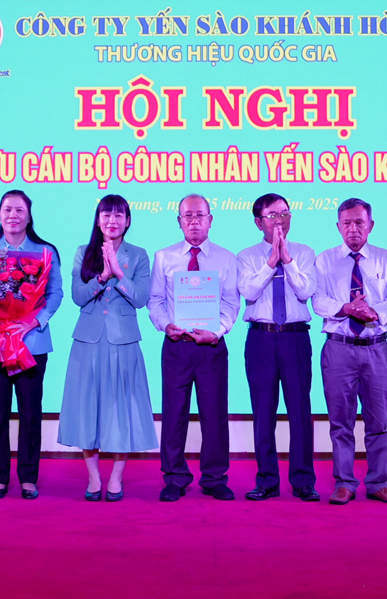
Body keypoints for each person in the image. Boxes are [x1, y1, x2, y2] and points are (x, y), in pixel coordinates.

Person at [58, 195, 157, 502]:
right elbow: (77, 296)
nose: (112, 221)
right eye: (106, 215)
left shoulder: (139, 255)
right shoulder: (83, 252)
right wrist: (102, 276)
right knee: (87, 407)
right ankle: (93, 478)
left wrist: (119, 272)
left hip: (123, 341)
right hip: (88, 341)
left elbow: (141, 299)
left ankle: (115, 478)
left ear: (128, 221)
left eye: (118, 216)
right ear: (98, 219)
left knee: (120, 408)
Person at [312, 198, 387, 505]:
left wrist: (374, 312)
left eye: (359, 222)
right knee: (340, 422)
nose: (353, 229)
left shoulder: (386, 259)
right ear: (338, 226)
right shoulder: (324, 260)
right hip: (339, 349)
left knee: (378, 421)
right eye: (347, 223)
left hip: (376, 349)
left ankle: (379, 482)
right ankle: (344, 483)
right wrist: (346, 308)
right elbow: (318, 300)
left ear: (371, 225)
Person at [148, 193, 240, 502]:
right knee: (174, 414)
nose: (194, 221)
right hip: (177, 345)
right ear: (179, 221)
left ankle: (214, 478)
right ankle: (174, 477)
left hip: (212, 347)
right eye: (188, 216)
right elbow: (155, 301)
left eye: (200, 215)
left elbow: (231, 303)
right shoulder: (164, 257)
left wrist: (217, 331)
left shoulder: (226, 258)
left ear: (210, 220)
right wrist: (165, 325)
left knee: (214, 415)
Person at [0, 189, 62, 500]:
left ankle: (28, 478)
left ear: (29, 215)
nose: (13, 215)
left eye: (19, 210)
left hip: (31, 344)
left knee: (30, 413)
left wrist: (33, 322)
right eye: (7, 210)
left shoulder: (45, 252)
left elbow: (55, 293)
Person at [237, 193, 318, 502]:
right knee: (263, 412)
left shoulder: (304, 252)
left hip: (295, 338)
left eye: (285, 213)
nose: (280, 220)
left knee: (300, 410)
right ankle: (267, 480)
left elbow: (306, 291)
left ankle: (303, 480)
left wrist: (288, 261)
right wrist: (271, 262)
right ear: (259, 222)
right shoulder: (246, 256)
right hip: (262, 339)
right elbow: (249, 292)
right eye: (272, 215)